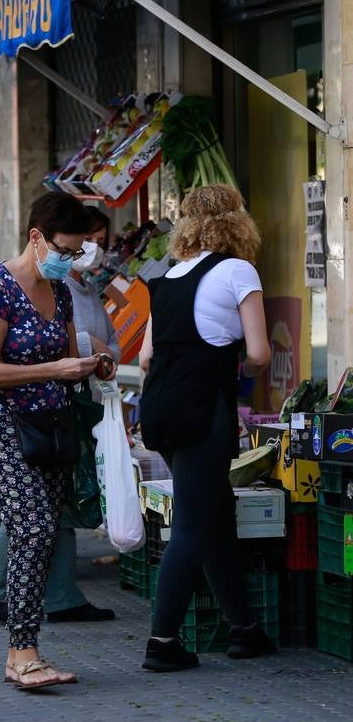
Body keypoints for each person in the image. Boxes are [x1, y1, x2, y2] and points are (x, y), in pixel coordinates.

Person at [0, 192, 102, 690]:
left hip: (51, 425)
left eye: (77, 252)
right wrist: (54, 369)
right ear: (37, 238)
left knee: (41, 532)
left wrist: (91, 364)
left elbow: (69, 353)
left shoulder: (60, 290)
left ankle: (21, 653)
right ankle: (23, 652)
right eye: (65, 250)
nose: (70, 260)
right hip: (2, 423)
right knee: (34, 526)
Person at [138, 184, 274, 673]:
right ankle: (162, 642)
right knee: (193, 524)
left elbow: (146, 356)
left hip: (161, 408)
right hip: (203, 409)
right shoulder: (239, 271)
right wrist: (241, 368)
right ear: (237, 223)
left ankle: (245, 629)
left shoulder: (167, 276)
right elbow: (258, 354)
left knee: (214, 514)